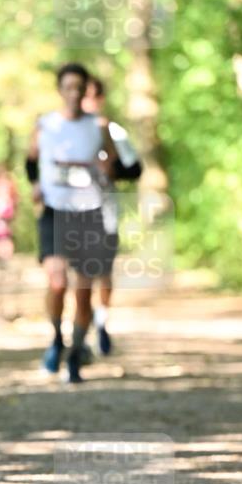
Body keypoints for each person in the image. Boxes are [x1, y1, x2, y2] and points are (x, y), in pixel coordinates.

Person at [25, 63, 118, 383]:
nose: (75, 93)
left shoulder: (99, 125)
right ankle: (55, 339)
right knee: (56, 280)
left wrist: (105, 171)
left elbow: (113, 161)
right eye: (69, 87)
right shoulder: (45, 124)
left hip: (88, 212)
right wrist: (35, 183)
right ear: (60, 90)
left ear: (85, 90)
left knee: (83, 291)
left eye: (80, 87)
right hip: (54, 210)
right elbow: (30, 158)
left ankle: (76, 354)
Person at [82, 76, 142, 355]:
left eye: (93, 96)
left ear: (100, 100)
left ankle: (101, 322)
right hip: (70, 215)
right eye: (83, 95)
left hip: (105, 214)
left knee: (102, 272)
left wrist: (112, 169)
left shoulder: (114, 131)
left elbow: (135, 169)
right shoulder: (61, 131)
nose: (87, 101)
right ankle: (80, 331)